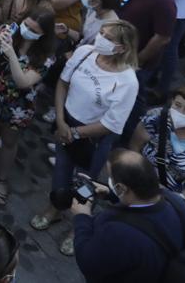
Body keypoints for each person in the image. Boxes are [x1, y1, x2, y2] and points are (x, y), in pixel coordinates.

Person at [32, 20, 140, 256]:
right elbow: (63, 83)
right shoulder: (84, 53)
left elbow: (111, 123)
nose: (100, 38)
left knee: (85, 184)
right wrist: (61, 121)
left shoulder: (128, 82)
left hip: (93, 138)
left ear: (121, 48)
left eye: (108, 37)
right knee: (61, 171)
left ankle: (77, 228)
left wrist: (77, 133)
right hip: (66, 124)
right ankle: (55, 207)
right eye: (100, 33)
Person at [0, 7, 57, 206]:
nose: (27, 30)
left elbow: (23, 81)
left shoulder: (46, 56)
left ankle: (3, 179)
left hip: (20, 104)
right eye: (26, 25)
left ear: (43, 35)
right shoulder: (8, 32)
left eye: (34, 30)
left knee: (9, 142)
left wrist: (12, 55)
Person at [70, 149, 185, 283]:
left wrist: (82, 216)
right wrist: (112, 194)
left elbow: (88, 262)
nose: (110, 182)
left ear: (121, 188)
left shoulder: (120, 232)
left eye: (111, 179)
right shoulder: (177, 203)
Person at [128, 83, 185, 202]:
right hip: (139, 186)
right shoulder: (154, 118)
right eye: (177, 105)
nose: (180, 112)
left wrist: (182, 197)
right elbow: (134, 147)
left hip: (170, 200)